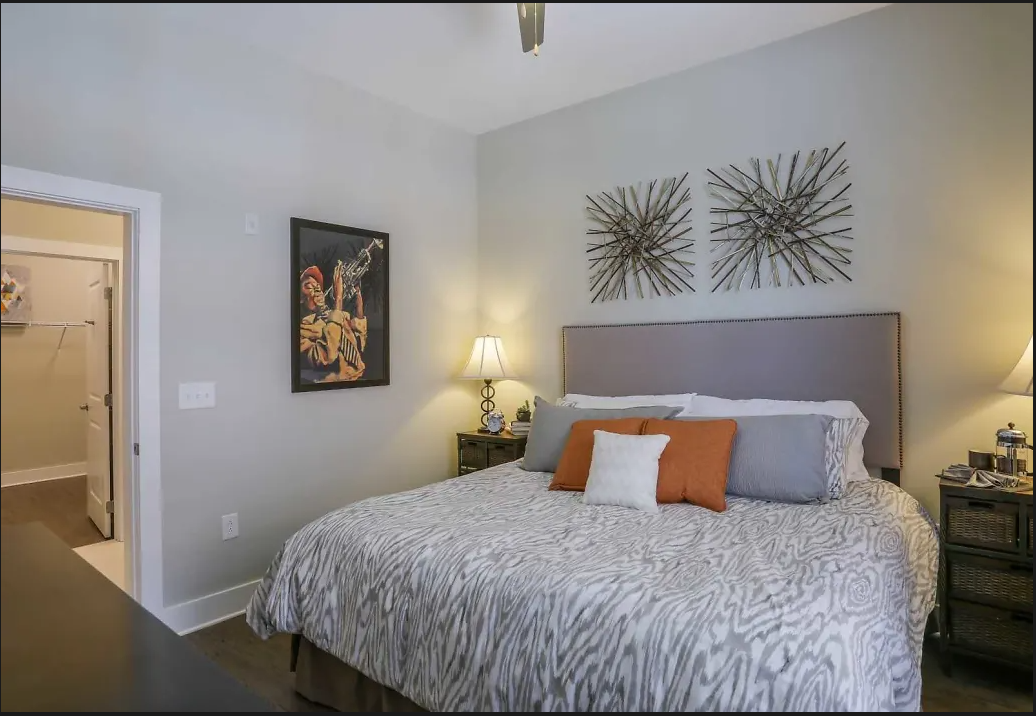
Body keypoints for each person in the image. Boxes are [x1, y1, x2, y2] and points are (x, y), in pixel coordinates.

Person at [299, 262, 367, 382]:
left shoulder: (338, 315)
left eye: (318, 285)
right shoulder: (302, 330)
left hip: (356, 379)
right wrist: (338, 299)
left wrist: (358, 296)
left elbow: (360, 340)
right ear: (300, 298)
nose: (317, 288)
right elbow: (326, 357)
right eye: (308, 286)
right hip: (331, 384)